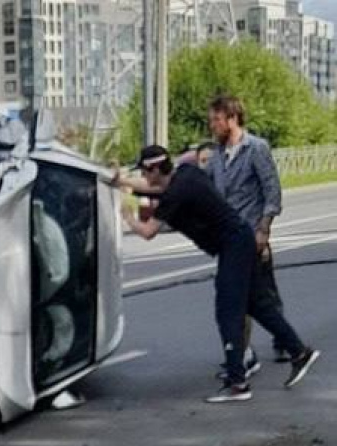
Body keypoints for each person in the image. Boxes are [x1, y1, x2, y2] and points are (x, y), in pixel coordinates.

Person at [114, 145, 319, 403]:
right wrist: (120, 182)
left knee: (228, 311)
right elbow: (155, 188)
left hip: (232, 246)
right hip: (239, 240)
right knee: (257, 305)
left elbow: (148, 232)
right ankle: (299, 352)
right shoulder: (186, 174)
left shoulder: (174, 195)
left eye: (144, 171)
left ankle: (237, 383)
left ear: (155, 169)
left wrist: (127, 217)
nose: (143, 176)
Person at [207, 95, 288, 367]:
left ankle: (249, 355)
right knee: (251, 296)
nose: (212, 126)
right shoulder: (216, 155)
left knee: (256, 296)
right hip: (228, 239)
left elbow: (271, 190)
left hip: (252, 235)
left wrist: (264, 230)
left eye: (216, 120)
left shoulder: (256, 149)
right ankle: (249, 352)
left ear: (232, 119)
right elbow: (206, 190)